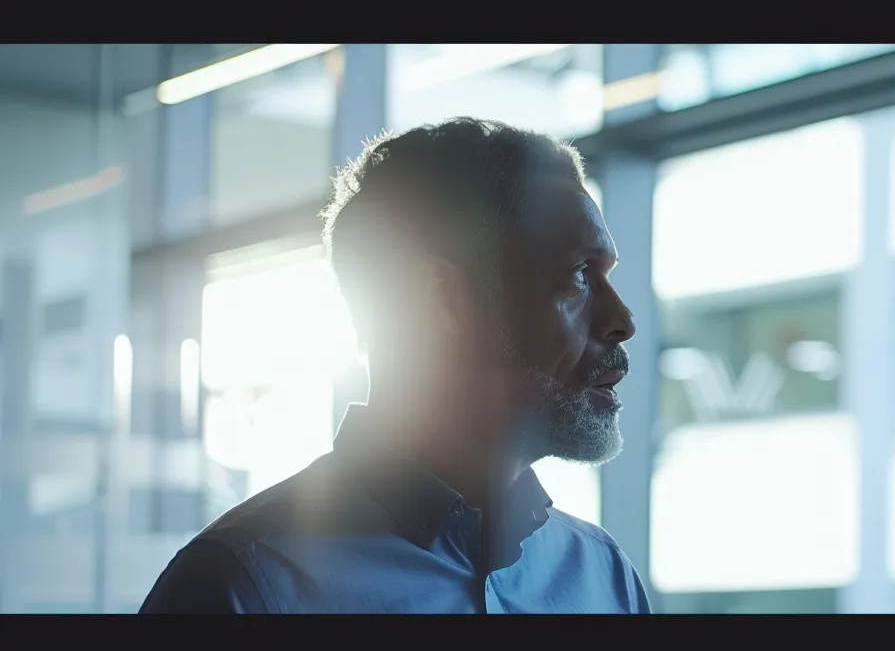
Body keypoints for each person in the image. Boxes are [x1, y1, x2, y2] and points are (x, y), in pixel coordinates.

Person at [140, 117, 650, 614]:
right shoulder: (239, 591)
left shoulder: (605, 580)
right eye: (580, 275)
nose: (622, 320)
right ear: (444, 299)